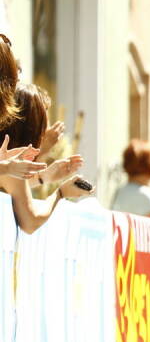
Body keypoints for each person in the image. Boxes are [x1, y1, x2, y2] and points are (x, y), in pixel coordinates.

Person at [0, 84, 85, 233]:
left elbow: (12, 187)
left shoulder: (8, 160)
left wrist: (44, 177)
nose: (46, 131)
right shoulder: (10, 160)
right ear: (31, 128)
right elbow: (31, 222)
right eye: (43, 125)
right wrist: (60, 193)